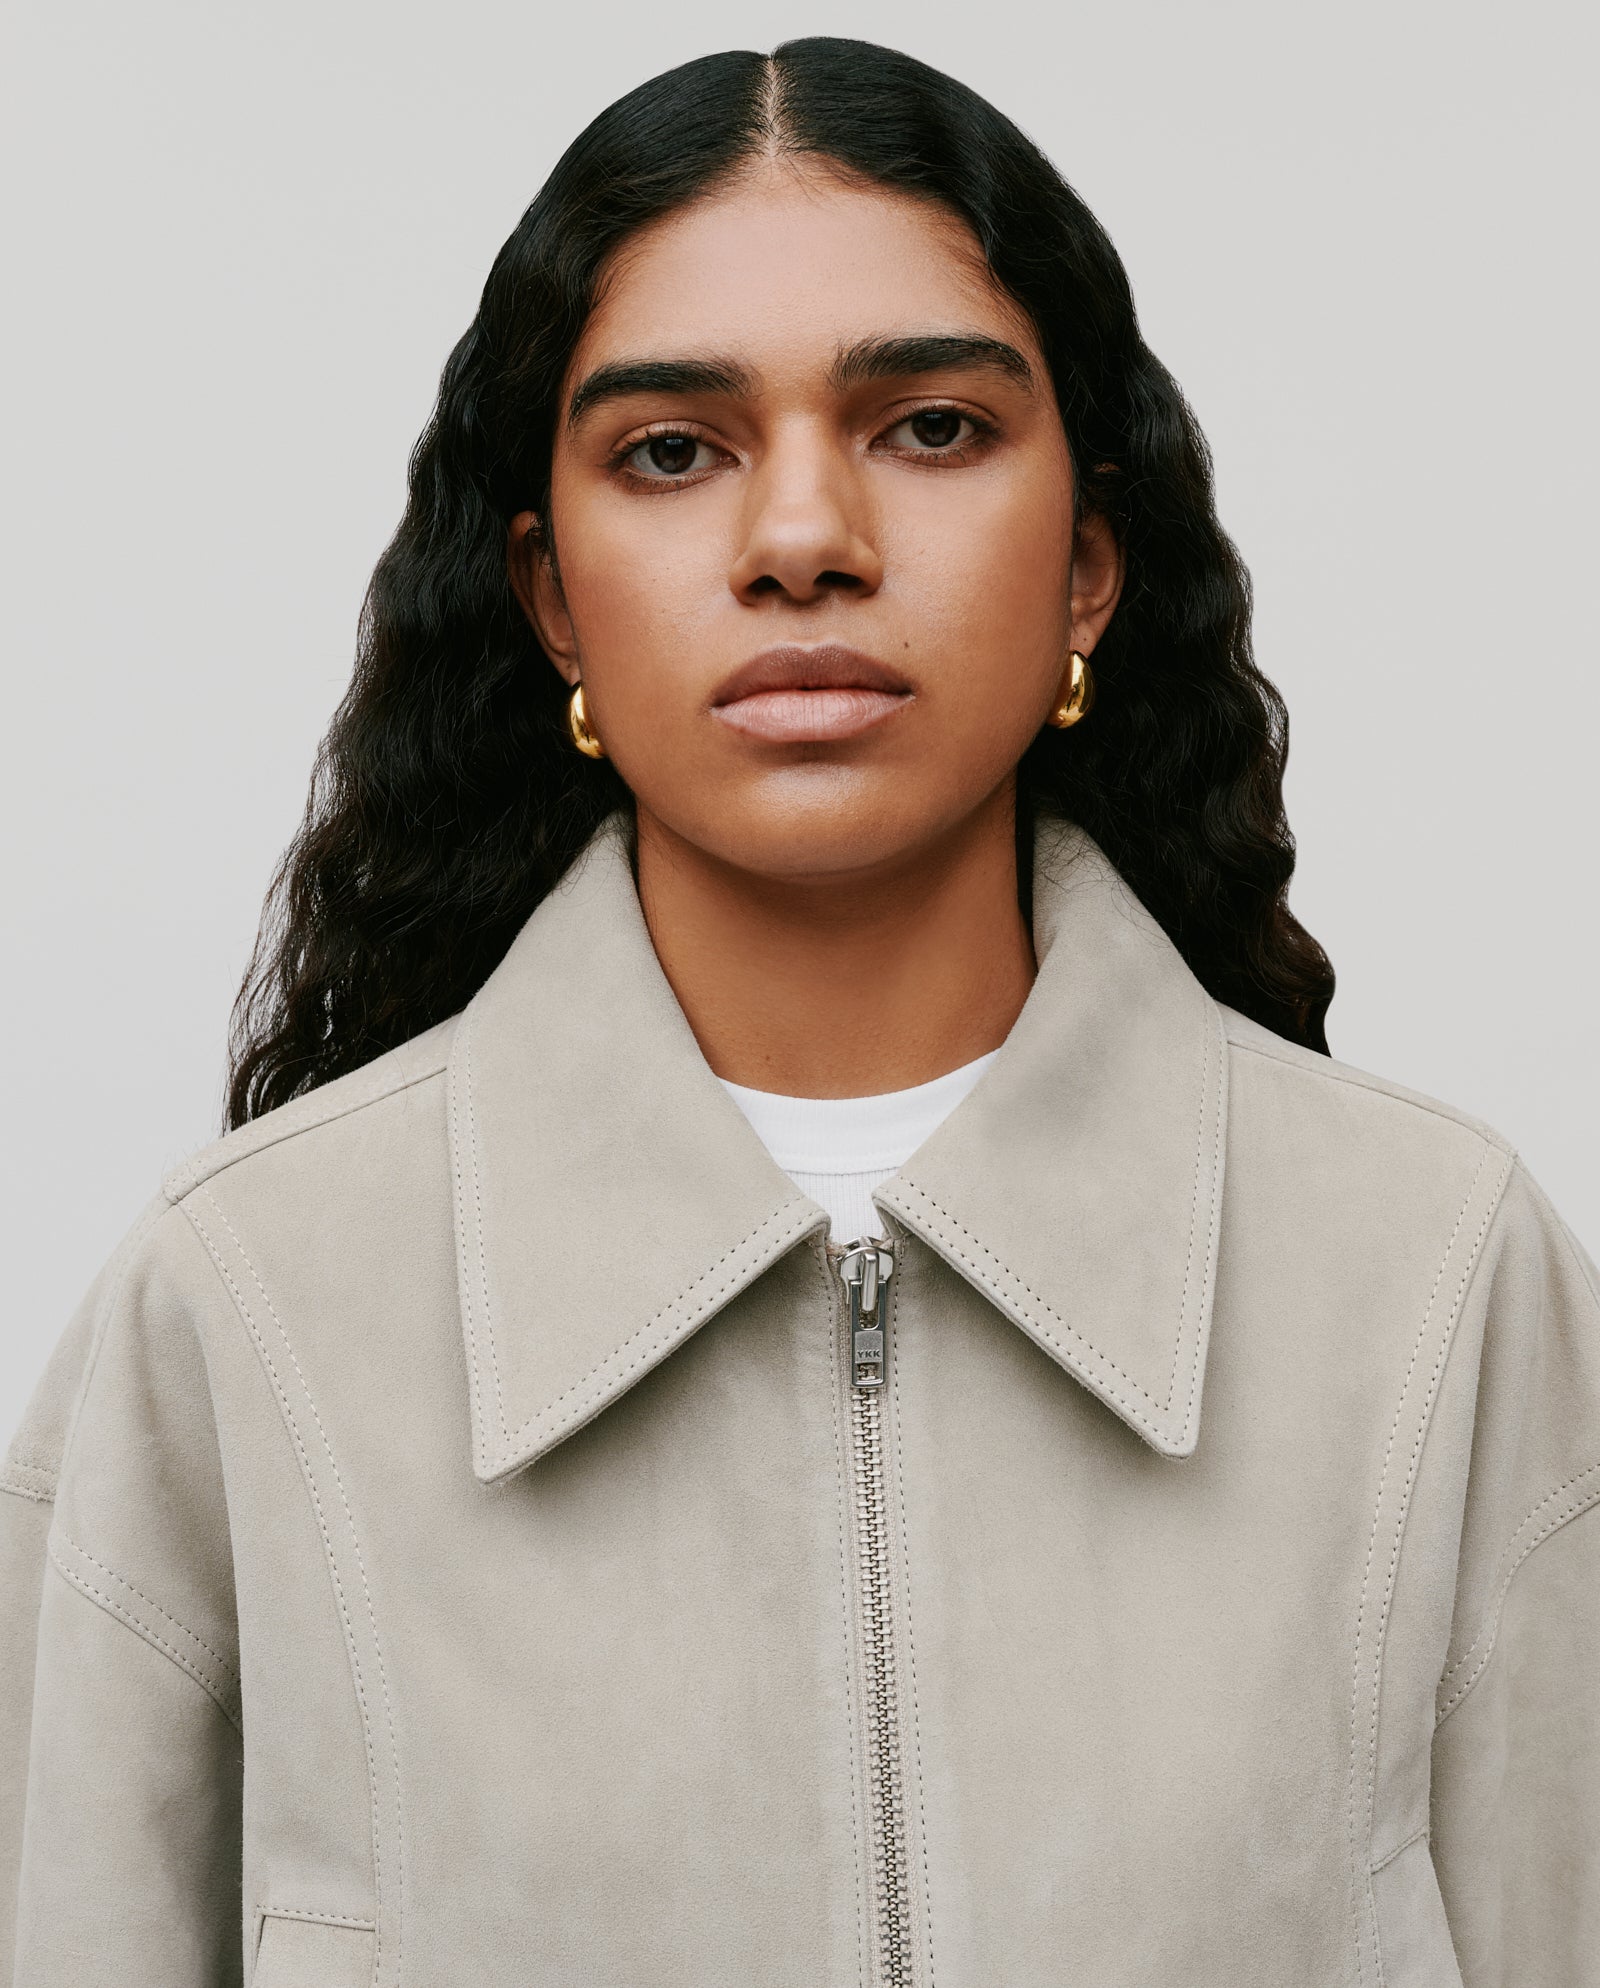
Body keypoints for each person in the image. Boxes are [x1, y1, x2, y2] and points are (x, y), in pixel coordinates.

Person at [2, 35, 1595, 1987]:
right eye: (671, 449)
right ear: (551, 596)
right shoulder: (238, 1314)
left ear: (1086, 561)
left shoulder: (1433, 1287)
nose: (800, 537)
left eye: (927, 425)